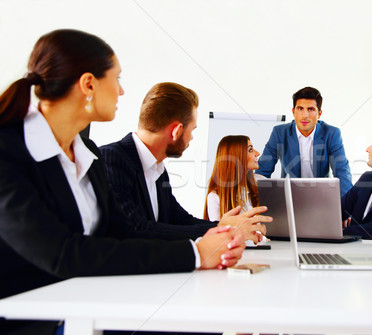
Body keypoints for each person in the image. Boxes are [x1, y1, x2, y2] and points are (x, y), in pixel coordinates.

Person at [0, 29, 269, 335]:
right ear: (88, 84)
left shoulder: (85, 151)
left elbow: (122, 229)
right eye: (117, 79)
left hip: (86, 306)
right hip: (29, 320)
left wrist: (216, 236)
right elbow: (63, 253)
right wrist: (196, 253)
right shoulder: (8, 152)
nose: (122, 92)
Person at [100, 82, 262, 243]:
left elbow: (178, 218)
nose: (191, 137)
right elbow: (134, 228)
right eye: (192, 130)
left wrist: (222, 226)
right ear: (176, 131)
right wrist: (222, 229)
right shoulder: (112, 158)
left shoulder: (158, 169)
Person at [255, 87, 352, 196]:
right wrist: (255, 201)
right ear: (293, 112)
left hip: (321, 196)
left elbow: (342, 171)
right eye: (300, 109)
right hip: (290, 196)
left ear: (319, 114)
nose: (305, 115)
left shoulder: (331, 133)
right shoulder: (279, 132)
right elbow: (263, 170)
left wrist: (347, 207)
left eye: (310, 109)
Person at [204, 135, 260, 221]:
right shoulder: (215, 197)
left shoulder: (260, 182)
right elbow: (219, 231)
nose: (257, 153)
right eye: (250, 150)